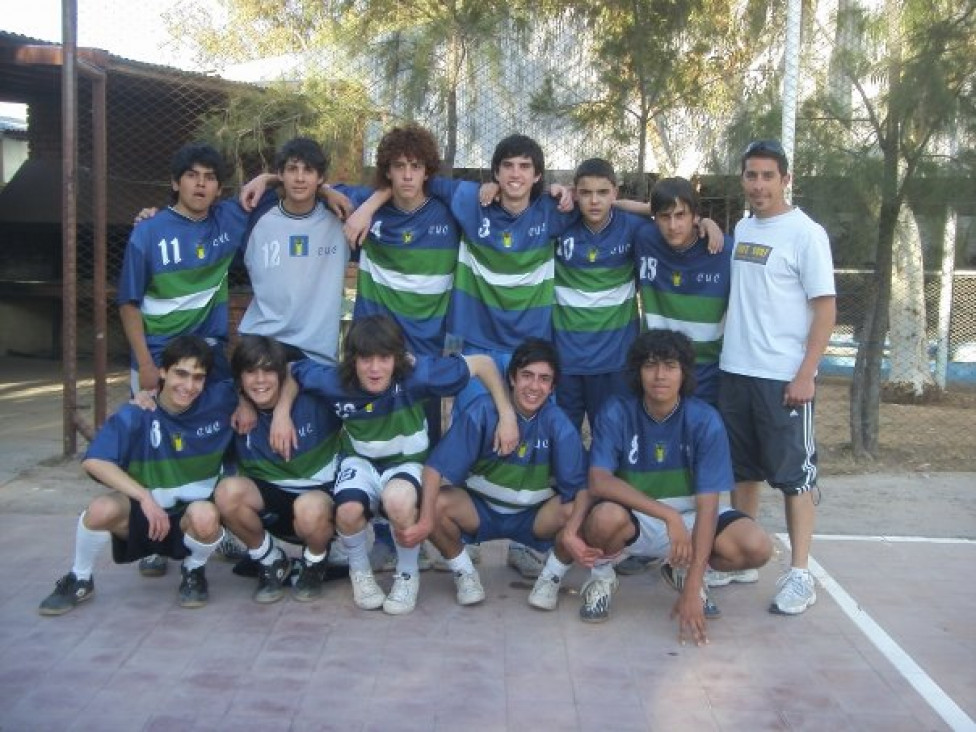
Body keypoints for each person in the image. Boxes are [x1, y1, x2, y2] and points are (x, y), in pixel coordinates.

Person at [284, 314, 518, 615]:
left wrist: (507, 414)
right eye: (365, 359)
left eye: (384, 358)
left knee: (397, 500)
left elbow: (483, 364)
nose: (375, 368)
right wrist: (281, 413)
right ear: (352, 360)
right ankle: (361, 575)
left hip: (406, 463)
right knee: (347, 511)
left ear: (397, 358)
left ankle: (407, 577)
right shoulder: (335, 380)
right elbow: (291, 370)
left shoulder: (419, 374)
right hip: (361, 462)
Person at [567, 330, 771, 639]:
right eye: (650, 365)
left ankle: (683, 571)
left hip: (689, 521)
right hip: (635, 517)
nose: (660, 375)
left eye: (670, 365)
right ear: (638, 371)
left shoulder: (705, 420)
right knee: (603, 518)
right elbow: (598, 480)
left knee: (756, 546)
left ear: (684, 372)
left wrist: (692, 586)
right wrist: (667, 515)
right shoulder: (617, 410)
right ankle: (602, 577)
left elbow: (707, 507)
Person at [38, 336, 239, 616]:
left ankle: (193, 572)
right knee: (100, 509)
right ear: (163, 372)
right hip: (149, 517)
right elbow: (94, 461)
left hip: (190, 519)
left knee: (206, 515)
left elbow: (263, 384)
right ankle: (80, 577)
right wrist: (143, 497)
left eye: (198, 377)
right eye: (180, 373)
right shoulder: (137, 412)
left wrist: (249, 406)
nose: (189, 386)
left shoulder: (220, 401)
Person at [719, 139, 836, 616]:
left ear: (785, 179)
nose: (759, 184)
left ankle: (800, 575)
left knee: (794, 478)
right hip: (736, 371)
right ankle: (746, 558)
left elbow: (825, 308)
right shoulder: (743, 227)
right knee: (742, 472)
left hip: (782, 378)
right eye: (751, 175)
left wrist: (807, 373)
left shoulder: (806, 234)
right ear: (743, 179)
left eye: (768, 175)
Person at [422, 338, 599, 611]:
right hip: (480, 511)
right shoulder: (482, 410)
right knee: (428, 501)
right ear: (512, 378)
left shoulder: (558, 424)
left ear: (552, 387)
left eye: (544, 379)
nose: (534, 386)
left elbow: (581, 490)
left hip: (533, 517)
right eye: (527, 376)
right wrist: (424, 522)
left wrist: (573, 533)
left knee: (581, 509)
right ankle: (463, 572)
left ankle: (551, 577)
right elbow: (434, 469)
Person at [214, 335, 343, 604]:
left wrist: (282, 411)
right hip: (270, 503)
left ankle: (314, 561)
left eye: (268, 370)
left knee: (310, 509)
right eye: (251, 372)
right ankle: (270, 561)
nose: (260, 380)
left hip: (317, 503)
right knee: (227, 492)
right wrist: (242, 400)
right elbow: (184, 394)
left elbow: (333, 374)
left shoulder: (315, 399)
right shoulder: (232, 406)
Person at [236, 137, 350, 365]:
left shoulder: (342, 214)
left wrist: (327, 192)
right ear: (280, 174)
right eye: (291, 169)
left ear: (321, 178)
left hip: (316, 352)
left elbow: (392, 193)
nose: (299, 178)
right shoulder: (254, 214)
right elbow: (202, 215)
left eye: (308, 170)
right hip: (263, 341)